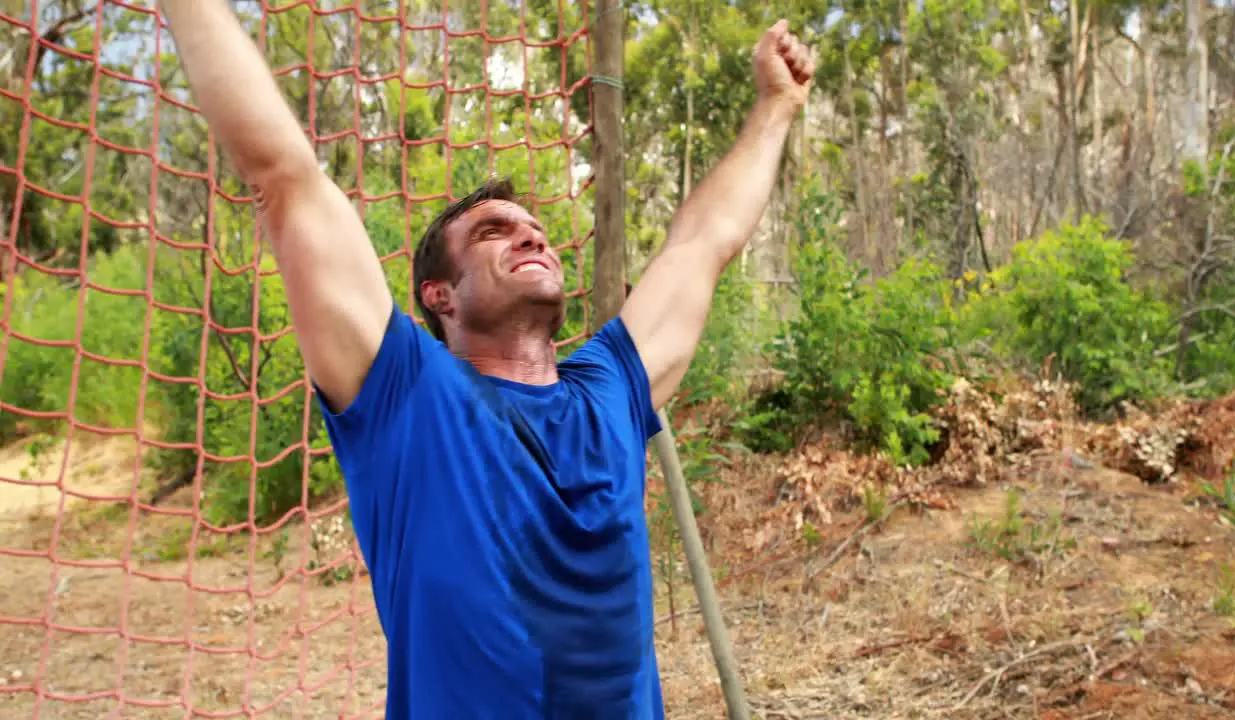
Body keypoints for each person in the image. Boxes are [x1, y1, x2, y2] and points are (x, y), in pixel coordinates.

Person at [158, 2, 814, 717]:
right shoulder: (405, 394)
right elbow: (284, 175)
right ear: (438, 294)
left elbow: (704, 241)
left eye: (536, 231)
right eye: (496, 233)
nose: (531, 238)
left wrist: (777, 104)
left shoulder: (612, 390)